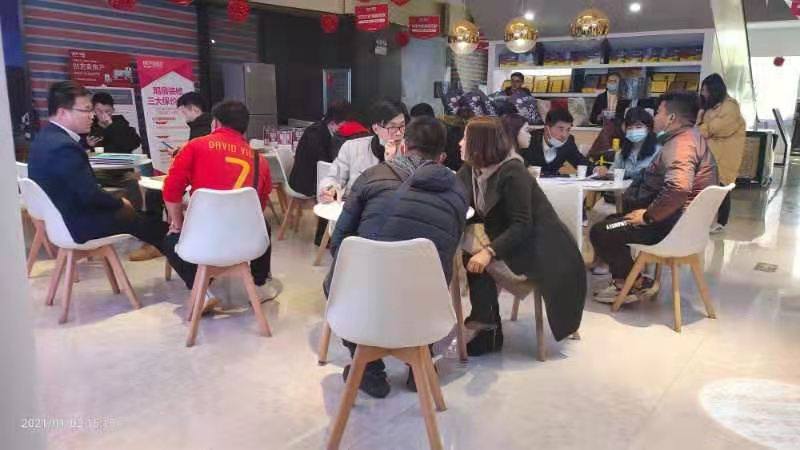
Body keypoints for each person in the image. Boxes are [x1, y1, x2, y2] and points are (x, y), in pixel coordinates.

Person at [325, 116, 468, 398]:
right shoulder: (458, 191)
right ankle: (420, 366)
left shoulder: (372, 176)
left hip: (366, 301)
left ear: (403, 147)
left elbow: (339, 241)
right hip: (425, 306)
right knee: (433, 278)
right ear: (441, 157)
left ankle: (369, 370)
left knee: (335, 282)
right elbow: (448, 251)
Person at [457, 117, 586, 356]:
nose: (460, 142)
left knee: (475, 256)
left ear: (480, 143)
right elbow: (457, 200)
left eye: (465, 137)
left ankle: (487, 327)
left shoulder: (512, 171)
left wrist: (489, 252)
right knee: (470, 246)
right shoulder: (471, 169)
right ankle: (486, 324)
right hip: (510, 238)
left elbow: (522, 226)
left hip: (541, 249)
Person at [590, 92, 719, 304]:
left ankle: (632, 283)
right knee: (611, 222)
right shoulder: (693, 138)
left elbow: (678, 188)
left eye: (658, 112)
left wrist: (648, 216)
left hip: (667, 226)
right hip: (681, 224)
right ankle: (630, 280)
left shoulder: (681, 145)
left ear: (671, 118)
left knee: (602, 231)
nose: (655, 116)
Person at [161, 100, 281, 309]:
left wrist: (177, 224)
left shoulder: (194, 147)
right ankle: (260, 284)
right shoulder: (259, 160)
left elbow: (171, 189)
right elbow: (259, 205)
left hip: (204, 239)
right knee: (265, 225)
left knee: (170, 241)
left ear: (215, 123)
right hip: (246, 242)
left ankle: (202, 290)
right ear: (244, 127)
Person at [28, 81, 167, 252]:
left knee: (144, 220)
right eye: (87, 110)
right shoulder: (64, 146)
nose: (92, 116)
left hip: (62, 219)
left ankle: (171, 246)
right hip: (78, 223)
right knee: (145, 222)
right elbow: (90, 195)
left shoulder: (45, 137)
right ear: (63, 112)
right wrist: (119, 203)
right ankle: (183, 254)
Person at [318, 99, 408, 203]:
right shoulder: (352, 147)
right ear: (376, 128)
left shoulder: (410, 152)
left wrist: (391, 162)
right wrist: (329, 189)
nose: (398, 133)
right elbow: (333, 178)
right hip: (355, 208)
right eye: (392, 127)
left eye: (402, 126)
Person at [288, 101, 352, 246]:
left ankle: (336, 232)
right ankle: (323, 237)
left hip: (314, 175)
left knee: (336, 185)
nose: (344, 129)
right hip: (304, 180)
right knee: (332, 189)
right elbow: (324, 164)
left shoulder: (323, 130)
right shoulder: (315, 134)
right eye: (343, 125)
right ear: (333, 123)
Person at [698, 73, 746, 232]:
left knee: (722, 187)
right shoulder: (712, 106)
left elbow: (716, 129)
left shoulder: (730, 107)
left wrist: (701, 127)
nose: (703, 94)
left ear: (714, 90)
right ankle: (709, 220)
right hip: (712, 154)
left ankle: (720, 222)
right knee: (711, 187)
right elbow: (705, 128)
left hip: (725, 156)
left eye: (705, 90)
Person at [519, 108, 592, 177]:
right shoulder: (529, 139)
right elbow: (518, 164)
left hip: (554, 182)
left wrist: (595, 169)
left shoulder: (568, 141)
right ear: (547, 128)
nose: (564, 135)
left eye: (568, 130)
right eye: (560, 129)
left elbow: (580, 161)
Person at [605, 106, 660, 180]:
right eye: (630, 128)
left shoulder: (658, 152)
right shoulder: (621, 153)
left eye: (638, 127)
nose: (634, 130)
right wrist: (605, 173)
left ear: (648, 128)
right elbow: (613, 174)